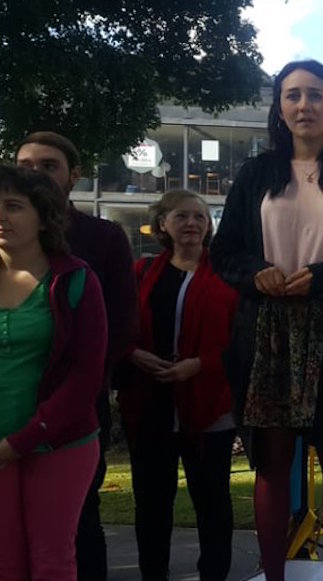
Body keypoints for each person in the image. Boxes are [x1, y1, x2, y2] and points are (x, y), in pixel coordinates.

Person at [210, 59, 323, 581]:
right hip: (266, 334)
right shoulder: (255, 174)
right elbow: (224, 253)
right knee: (272, 465)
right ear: (279, 108)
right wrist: (257, 273)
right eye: (292, 95)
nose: (303, 105)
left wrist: (322, 277)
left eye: (315, 94)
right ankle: (273, 574)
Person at [16, 131, 138, 581]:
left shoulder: (102, 239)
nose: (35, 174)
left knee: (76, 524)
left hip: (75, 411)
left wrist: (75, 389)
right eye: (25, 166)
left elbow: (121, 328)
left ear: (74, 175)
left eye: (48, 166)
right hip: (8, 406)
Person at [119, 191, 238, 581]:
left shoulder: (227, 276)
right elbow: (117, 327)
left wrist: (199, 365)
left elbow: (241, 340)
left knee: (213, 502)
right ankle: (153, 574)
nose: (192, 223)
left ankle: (214, 575)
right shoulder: (140, 273)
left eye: (200, 217)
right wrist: (134, 354)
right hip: (149, 404)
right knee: (151, 503)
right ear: (162, 225)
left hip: (209, 405)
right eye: (182, 216)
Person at [0, 165, 108, 580]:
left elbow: (85, 376)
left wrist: (22, 440)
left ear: (43, 217)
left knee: (51, 562)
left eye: (13, 206)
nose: (2, 216)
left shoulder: (75, 280)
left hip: (60, 442)